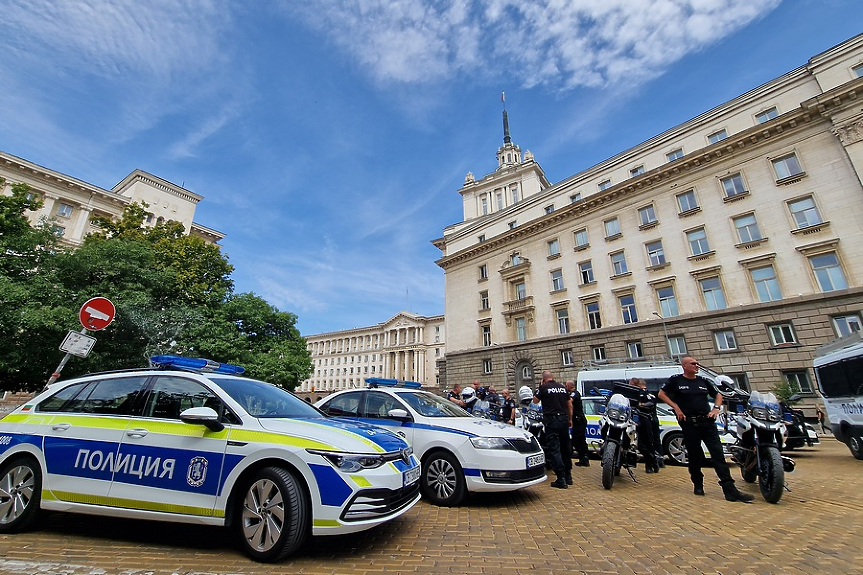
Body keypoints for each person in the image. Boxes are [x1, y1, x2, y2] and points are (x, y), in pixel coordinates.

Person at [658, 356, 754, 502]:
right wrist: (676, 407)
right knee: (695, 457)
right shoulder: (676, 381)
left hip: (707, 423)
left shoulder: (703, 381)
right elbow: (661, 394)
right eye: (693, 363)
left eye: (697, 363)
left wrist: (716, 408)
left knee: (718, 456)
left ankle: (730, 490)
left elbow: (718, 395)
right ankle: (698, 485)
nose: (697, 365)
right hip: (689, 424)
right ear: (684, 366)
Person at [533, 370, 572, 488]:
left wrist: (540, 387)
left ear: (543, 379)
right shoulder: (562, 387)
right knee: (565, 448)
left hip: (551, 421)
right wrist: (570, 420)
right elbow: (570, 405)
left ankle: (561, 479)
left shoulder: (544, 388)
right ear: (553, 377)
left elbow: (535, 401)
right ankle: (568, 476)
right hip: (564, 420)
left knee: (554, 449)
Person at [631, 378, 661, 473]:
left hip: (644, 420)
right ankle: (653, 460)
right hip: (633, 420)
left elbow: (650, 403)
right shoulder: (632, 393)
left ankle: (651, 463)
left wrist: (640, 404)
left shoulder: (645, 393)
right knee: (639, 442)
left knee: (647, 442)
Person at [566, 380, 590, 467]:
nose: (565, 387)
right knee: (578, 440)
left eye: (566, 386)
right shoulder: (572, 393)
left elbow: (570, 401)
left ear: (570, 386)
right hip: (577, 421)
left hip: (580, 420)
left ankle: (584, 458)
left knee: (578, 440)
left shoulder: (575, 393)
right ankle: (583, 458)